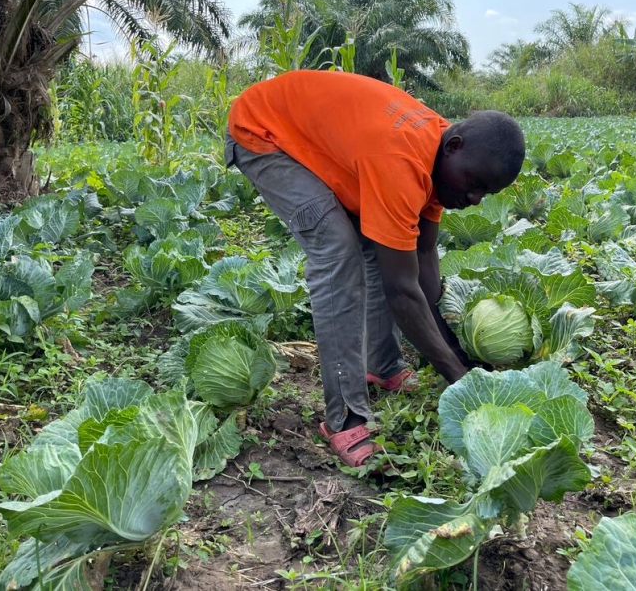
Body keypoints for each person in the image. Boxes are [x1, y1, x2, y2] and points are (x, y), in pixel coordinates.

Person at [225, 70, 525, 467]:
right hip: (263, 131)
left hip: (315, 136)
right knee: (338, 250)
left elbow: (422, 258)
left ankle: (383, 366)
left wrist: (455, 348)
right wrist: (457, 375)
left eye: (486, 193)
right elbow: (401, 290)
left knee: (377, 243)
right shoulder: (400, 160)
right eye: (475, 183)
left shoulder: (440, 161)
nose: (474, 198)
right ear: (453, 146)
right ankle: (345, 417)